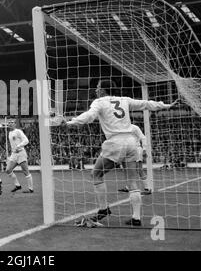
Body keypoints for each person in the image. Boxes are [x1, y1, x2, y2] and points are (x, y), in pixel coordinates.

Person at [65, 79, 179, 226]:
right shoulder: (125, 100)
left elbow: (89, 116)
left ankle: (103, 209)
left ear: (103, 90)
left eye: (98, 87)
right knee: (132, 181)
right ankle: (136, 218)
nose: (96, 90)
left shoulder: (99, 102)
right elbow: (146, 103)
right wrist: (166, 105)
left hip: (115, 143)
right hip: (131, 142)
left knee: (96, 174)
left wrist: (71, 122)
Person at [118, 124, 152, 195]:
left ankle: (147, 188)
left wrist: (145, 149)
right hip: (127, 150)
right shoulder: (121, 128)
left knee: (139, 169)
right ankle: (128, 187)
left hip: (136, 149)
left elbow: (143, 137)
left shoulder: (134, 127)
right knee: (127, 169)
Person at [5, 119, 34, 193]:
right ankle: (18, 185)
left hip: (21, 153)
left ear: (15, 124)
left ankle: (31, 189)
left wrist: (19, 146)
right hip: (14, 154)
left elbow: (26, 140)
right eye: (9, 123)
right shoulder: (9, 133)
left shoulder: (18, 131)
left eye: (12, 122)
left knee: (25, 171)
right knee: (8, 170)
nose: (10, 124)